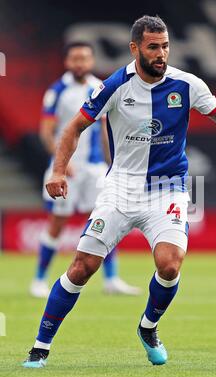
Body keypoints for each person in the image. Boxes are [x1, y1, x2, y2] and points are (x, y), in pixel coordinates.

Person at [23, 16, 216, 368]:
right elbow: (73, 128)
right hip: (120, 189)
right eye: (153, 47)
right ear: (135, 49)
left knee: (170, 265)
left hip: (167, 189)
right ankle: (40, 348)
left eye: (165, 47)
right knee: (82, 267)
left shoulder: (186, 84)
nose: (161, 54)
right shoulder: (115, 86)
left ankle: (148, 327)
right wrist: (57, 170)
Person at [30, 41, 141, 298]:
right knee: (57, 223)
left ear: (91, 61)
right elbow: (46, 132)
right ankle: (39, 279)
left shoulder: (99, 88)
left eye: (84, 59)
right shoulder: (57, 91)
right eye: (75, 59)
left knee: (106, 220)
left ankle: (111, 279)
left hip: (94, 169)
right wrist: (62, 163)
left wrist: (112, 162)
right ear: (67, 62)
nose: (80, 63)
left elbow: (105, 131)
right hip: (65, 168)